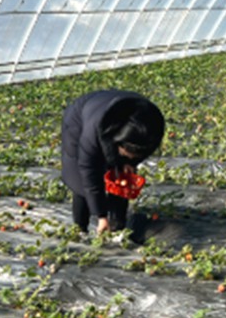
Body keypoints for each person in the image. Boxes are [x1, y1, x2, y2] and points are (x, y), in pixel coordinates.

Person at [61, 90, 165, 234]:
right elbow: (89, 171)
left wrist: (130, 164)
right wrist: (101, 216)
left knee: (121, 178)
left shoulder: (149, 126)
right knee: (80, 182)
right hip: (79, 121)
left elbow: (140, 151)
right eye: (128, 153)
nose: (132, 156)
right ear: (117, 140)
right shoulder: (91, 133)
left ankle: (118, 225)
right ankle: (80, 229)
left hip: (113, 115)